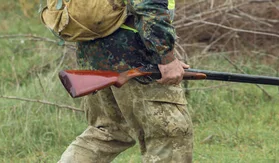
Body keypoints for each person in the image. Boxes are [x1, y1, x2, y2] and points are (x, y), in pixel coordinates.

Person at [57, 0, 194, 162]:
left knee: (107, 132)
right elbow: (149, 4)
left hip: (93, 56)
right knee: (170, 137)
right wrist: (166, 57)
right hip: (137, 56)